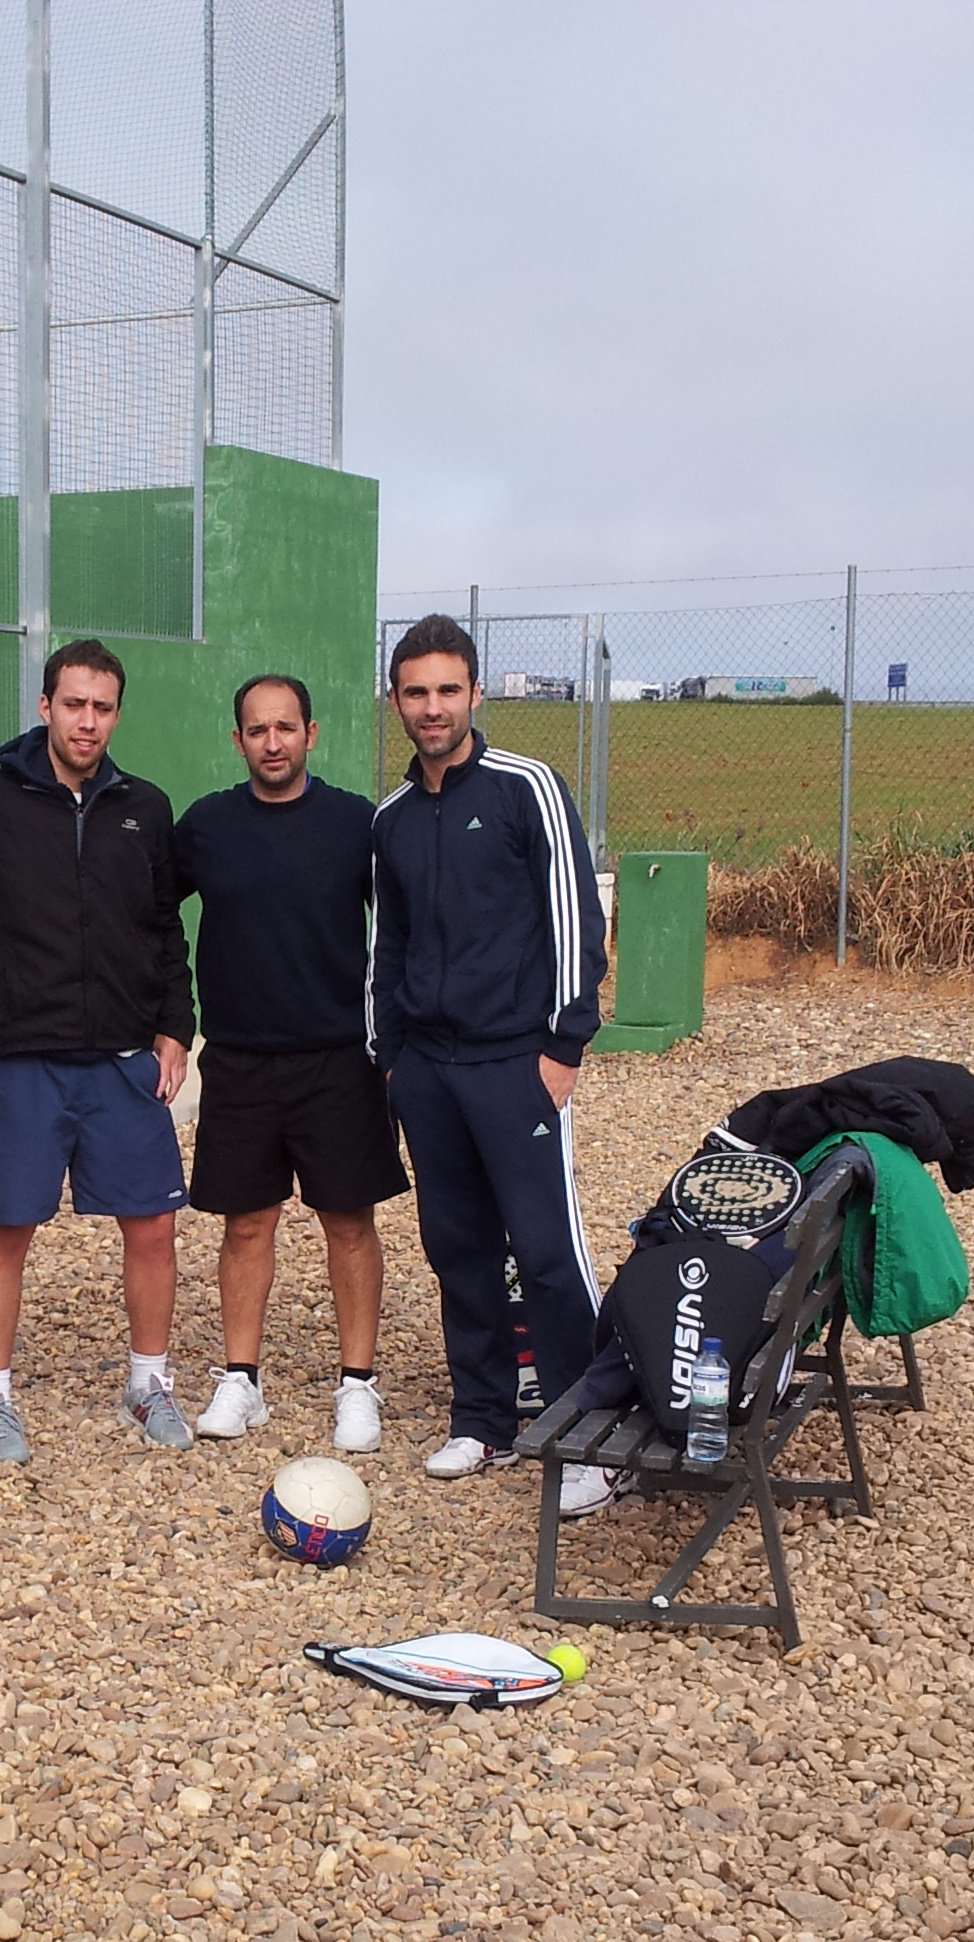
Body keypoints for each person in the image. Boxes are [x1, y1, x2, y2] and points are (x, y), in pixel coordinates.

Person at [368, 612, 622, 1517]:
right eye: (416, 692)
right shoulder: (392, 820)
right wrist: (391, 1057)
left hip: (517, 1062)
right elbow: (389, 945)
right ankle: (482, 1419)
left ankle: (589, 1437)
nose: (432, 707)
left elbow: (576, 917)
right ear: (396, 700)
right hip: (427, 1072)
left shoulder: (527, 788)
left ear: (475, 693)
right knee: (458, 1250)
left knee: (547, 1253)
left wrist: (565, 1042)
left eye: (448, 689)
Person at [0, 638, 197, 1463]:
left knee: (152, 1225)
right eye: (74, 704)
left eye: (102, 707)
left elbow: (165, 928)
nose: (88, 721)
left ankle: (148, 1384)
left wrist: (176, 1026)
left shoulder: (144, 807)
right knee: (8, 1228)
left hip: (123, 1058)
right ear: (45, 705)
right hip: (27, 1059)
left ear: (116, 714)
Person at [173, 673, 406, 1453]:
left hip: (339, 1060)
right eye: (257, 730)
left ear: (311, 733)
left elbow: (405, 927)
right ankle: (241, 1379)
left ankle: (358, 1386)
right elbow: (145, 912)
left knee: (349, 1223)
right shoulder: (206, 826)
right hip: (239, 1062)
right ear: (237, 740)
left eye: (285, 728)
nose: (272, 743)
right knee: (246, 1225)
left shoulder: (357, 825)